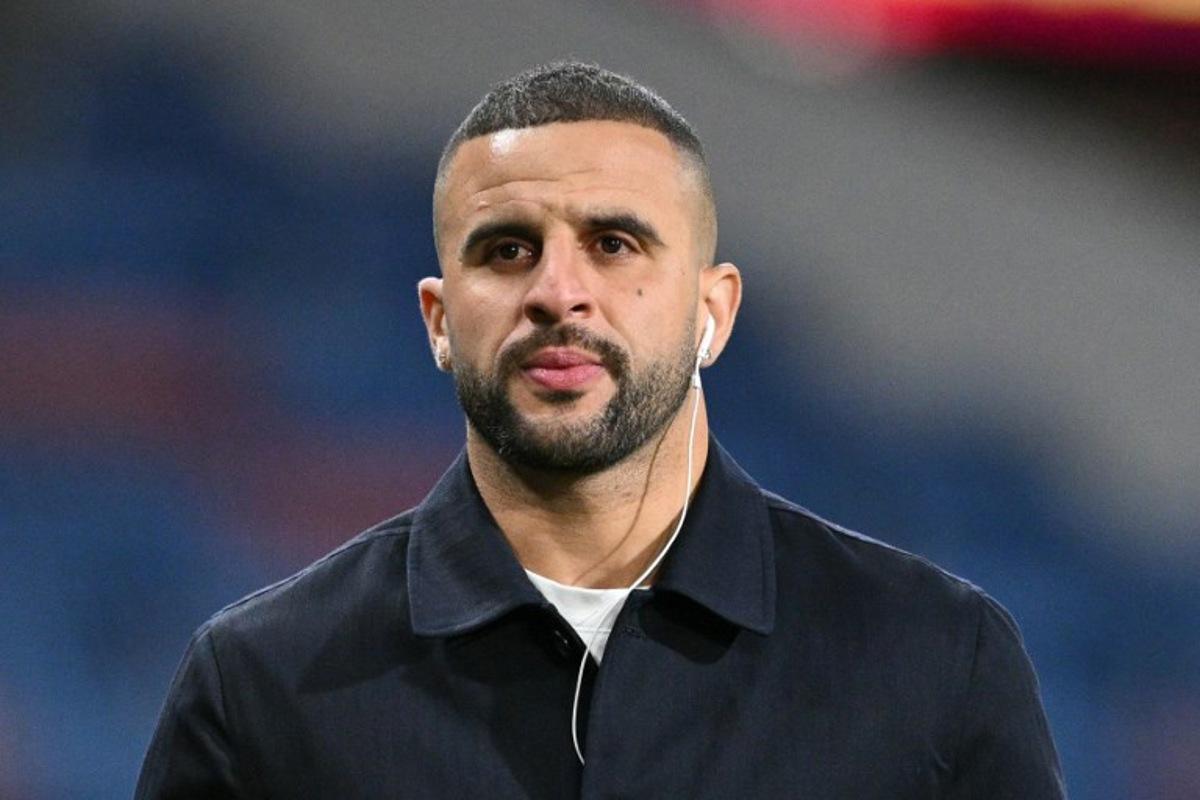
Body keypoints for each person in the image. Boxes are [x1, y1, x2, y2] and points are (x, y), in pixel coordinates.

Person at [136, 62, 1065, 798]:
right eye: (507, 250)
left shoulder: (937, 658)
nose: (556, 291)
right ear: (438, 323)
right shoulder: (262, 681)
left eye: (614, 244)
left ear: (714, 312)